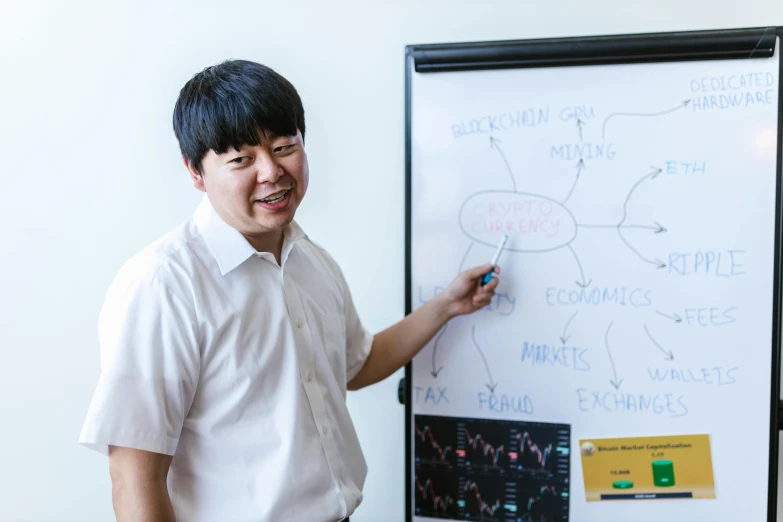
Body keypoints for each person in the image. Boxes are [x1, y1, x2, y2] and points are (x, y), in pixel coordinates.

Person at [78, 59, 500, 522]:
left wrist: (445, 307)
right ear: (195, 172)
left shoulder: (312, 261)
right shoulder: (164, 285)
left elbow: (355, 365)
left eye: (284, 147)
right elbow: (134, 476)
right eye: (241, 159)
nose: (271, 173)